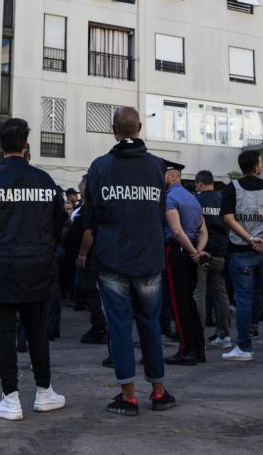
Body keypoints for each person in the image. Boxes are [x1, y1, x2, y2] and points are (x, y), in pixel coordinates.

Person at [0, 118, 68, 421]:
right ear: (27, 145)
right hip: (37, 264)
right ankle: (44, 392)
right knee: (36, 329)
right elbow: (59, 225)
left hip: (0, 263)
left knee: (3, 330)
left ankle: (10, 397)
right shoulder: (45, 181)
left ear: (0, 146)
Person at [85, 107, 175, 416]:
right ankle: (159, 391)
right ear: (139, 128)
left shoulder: (100, 167)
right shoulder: (156, 167)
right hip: (149, 258)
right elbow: (159, 210)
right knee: (151, 325)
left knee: (119, 327)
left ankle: (128, 395)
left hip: (113, 257)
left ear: (114, 130)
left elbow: (92, 212)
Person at [221, 149, 263, 362]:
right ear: (257, 167)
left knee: (244, 300)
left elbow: (229, 219)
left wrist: (250, 239)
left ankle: (244, 347)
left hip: (241, 250)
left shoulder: (232, 189)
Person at [161, 160, 208, 366]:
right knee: (189, 302)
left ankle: (186, 350)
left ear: (171, 177)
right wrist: (197, 251)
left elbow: (177, 231)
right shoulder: (193, 198)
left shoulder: (169, 198)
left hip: (177, 251)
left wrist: (191, 251)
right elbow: (203, 230)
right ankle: (198, 349)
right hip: (191, 252)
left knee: (179, 305)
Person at [192, 171, 232, 348]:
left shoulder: (196, 201)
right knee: (221, 294)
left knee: (199, 294)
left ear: (200, 184)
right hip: (221, 252)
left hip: (201, 251)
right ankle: (224, 334)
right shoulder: (223, 199)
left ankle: (198, 335)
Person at [74, 179, 107, 345]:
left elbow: (89, 233)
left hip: (93, 257)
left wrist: (82, 255)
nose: (79, 185)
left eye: (82, 182)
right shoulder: (90, 205)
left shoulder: (89, 207)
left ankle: (100, 327)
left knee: (92, 290)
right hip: (96, 256)